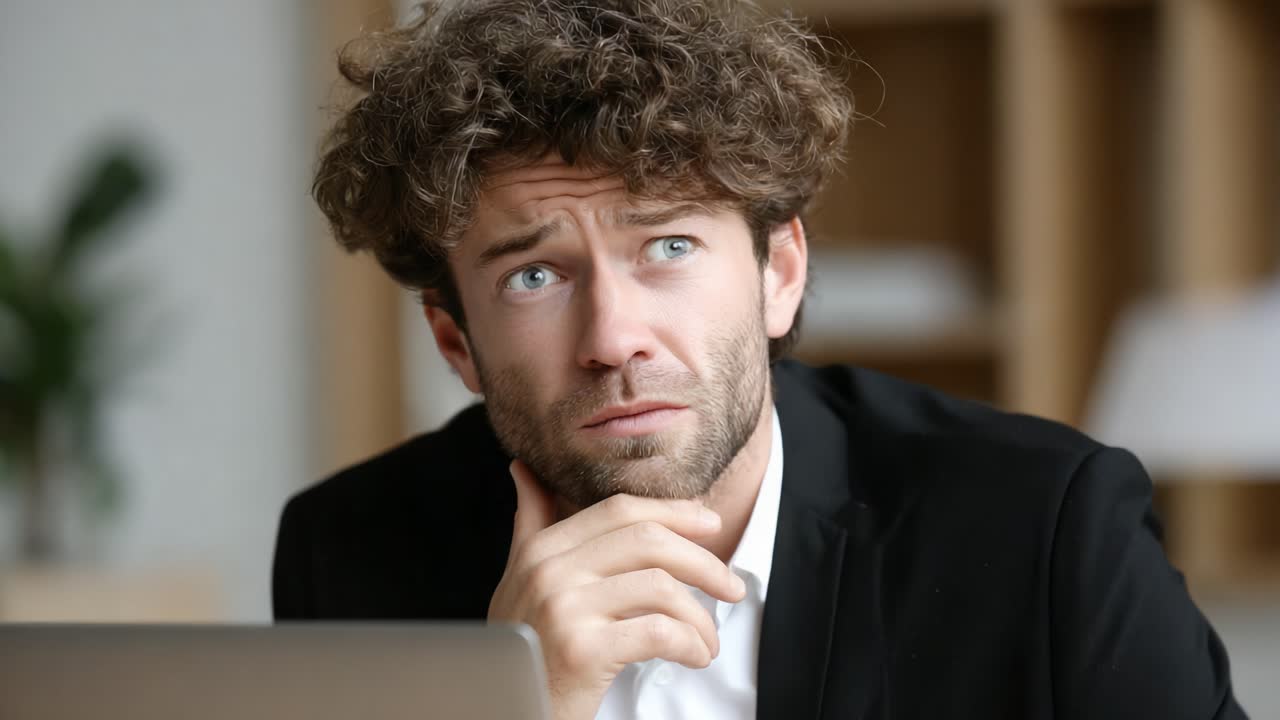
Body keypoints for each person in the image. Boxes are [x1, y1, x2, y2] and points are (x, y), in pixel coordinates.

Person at [272, 1, 1246, 718]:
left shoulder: (1038, 529)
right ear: (455, 342)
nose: (613, 337)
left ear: (777, 271)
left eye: (666, 247)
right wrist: (514, 704)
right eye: (533, 276)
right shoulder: (354, 558)